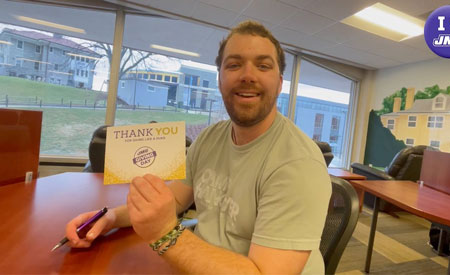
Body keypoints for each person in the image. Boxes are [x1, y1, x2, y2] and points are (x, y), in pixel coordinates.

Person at [66, 20, 331, 274]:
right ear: (219, 79)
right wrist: (112, 217)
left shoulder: (298, 165)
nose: (248, 75)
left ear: (280, 83)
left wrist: (166, 234)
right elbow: (177, 198)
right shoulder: (209, 138)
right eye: (234, 64)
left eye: (263, 66)